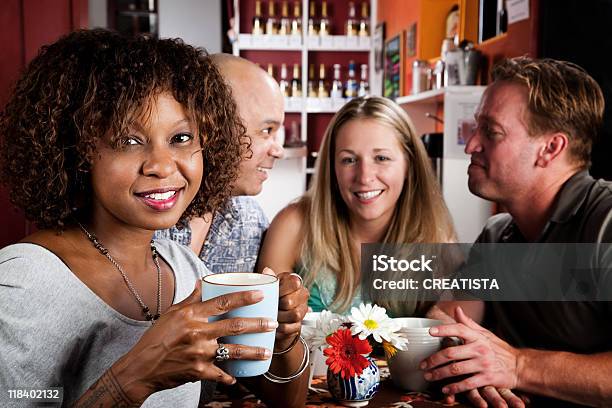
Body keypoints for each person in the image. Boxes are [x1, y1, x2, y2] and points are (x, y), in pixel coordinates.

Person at [0, 29, 308, 408]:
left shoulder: (187, 272)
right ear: (76, 150)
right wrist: (137, 374)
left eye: (180, 138)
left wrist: (283, 338)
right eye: (129, 141)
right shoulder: (24, 282)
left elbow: (285, 399)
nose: (163, 165)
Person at [422, 57, 612, 407]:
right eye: (476, 127)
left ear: (550, 148)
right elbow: (447, 320)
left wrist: (518, 366)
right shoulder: (497, 235)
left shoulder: (606, 222)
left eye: (491, 132)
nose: (471, 145)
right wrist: (468, 361)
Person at [258, 96, 456, 316]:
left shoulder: (437, 241)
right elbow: (266, 329)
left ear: (409, 164)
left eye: (381, 158)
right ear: (332, 167)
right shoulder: (294, 224)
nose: (364, 177)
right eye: (349, 160)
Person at [155, 53, 284, 274]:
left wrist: (282, 302)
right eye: (266, 131)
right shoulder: (142, 214)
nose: (278, 151)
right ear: (214, 127)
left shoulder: (250, 221)